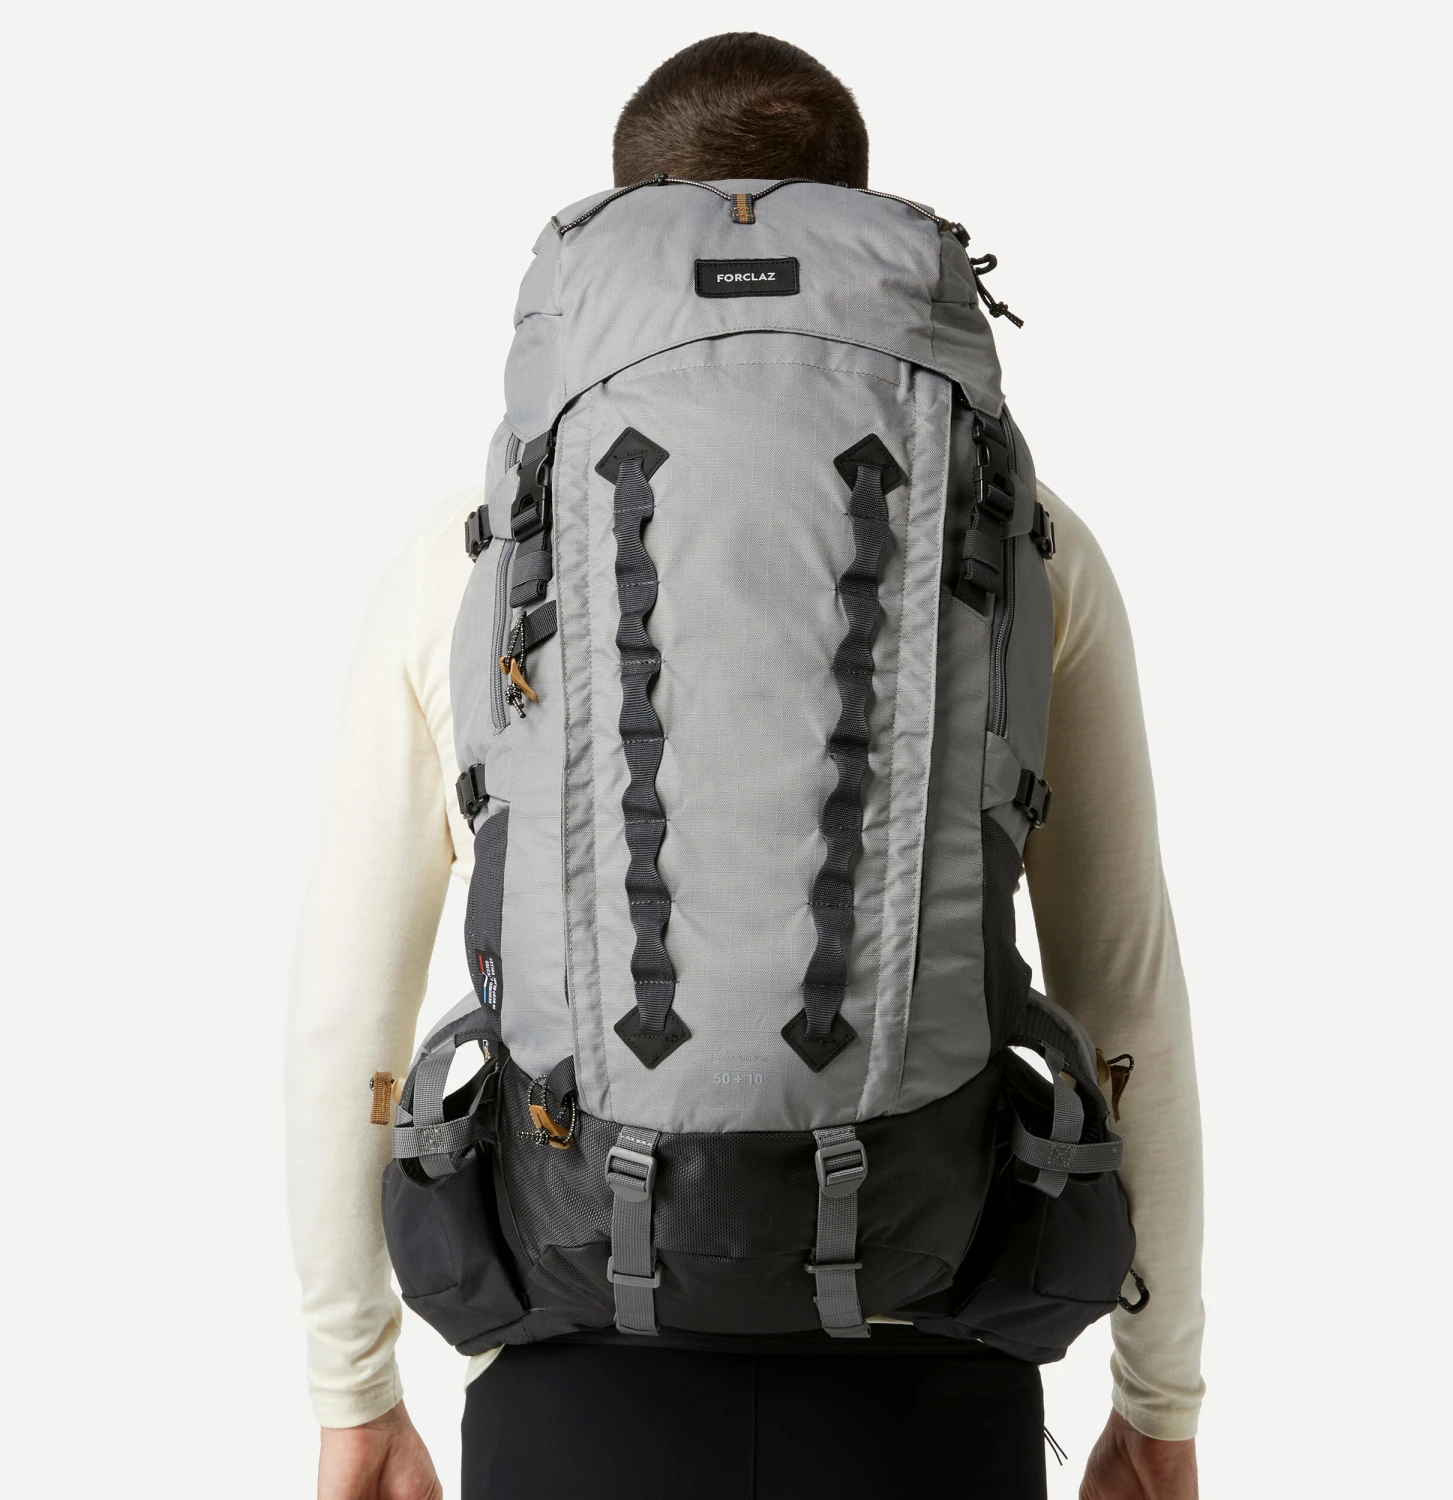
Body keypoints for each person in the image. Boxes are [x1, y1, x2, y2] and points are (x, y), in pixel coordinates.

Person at [288, 32, 1204, 1500]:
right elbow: (1125, 991)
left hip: (578, 1370)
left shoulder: (468, 558)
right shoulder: (1027, 543)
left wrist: (354, 1391)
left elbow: (349, 1014)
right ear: (863, 214)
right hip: (930, 1367)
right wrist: (1160, 1404)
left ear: (624, 221)